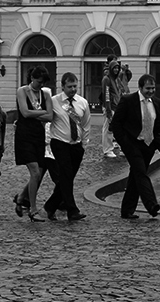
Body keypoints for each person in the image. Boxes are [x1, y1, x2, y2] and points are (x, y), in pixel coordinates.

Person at [109, 73, 160, 221]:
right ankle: (152, 205)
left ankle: (127, 210)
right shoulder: (128, 100)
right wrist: (124, 143)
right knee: (141, 174)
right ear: (141, 87)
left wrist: (157, 143)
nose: (151, 91)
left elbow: (159, 124)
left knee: (135, 176)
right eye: (148, 88)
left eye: (153, 88)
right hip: (133, 144)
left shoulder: (156, 102)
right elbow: (116, 124)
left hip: (148, 145)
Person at [43, 72, 93, 221]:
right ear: (62, 86)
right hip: (60, 143)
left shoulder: (82, 102)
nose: (72, 89)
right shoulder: (54, 101)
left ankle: (49, 207)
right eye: (69, 86)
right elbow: (46, 119)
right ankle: (72, 210)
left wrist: (84, 144)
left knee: (68, 178)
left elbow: (86, 124)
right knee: (65, 174)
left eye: (75, 86)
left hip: (76, 145)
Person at [13, 66, 54, 221]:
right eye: (38, 82)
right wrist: (42, 113)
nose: (40, 85)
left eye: (43, 83)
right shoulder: (22, 91)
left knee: (39, 172)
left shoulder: (45, 94)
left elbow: (50, 116)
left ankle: (21, 197)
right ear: (32, 78)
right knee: (35, 172)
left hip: (39, 136)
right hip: (25, 136)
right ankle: (33, 209)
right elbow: (24, 112)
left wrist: (35, 115)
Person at [101, 59, 123, 158]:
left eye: (117, 67)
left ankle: (117, 148)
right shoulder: (107, 79)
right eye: (114, 67)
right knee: (108, 130)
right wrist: (108, 109)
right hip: (110, 107)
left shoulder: (116, 79)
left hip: (117, 107)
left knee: (117, 129)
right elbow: (106, 95)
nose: (116, 69)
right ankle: (107, 150)